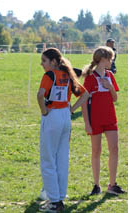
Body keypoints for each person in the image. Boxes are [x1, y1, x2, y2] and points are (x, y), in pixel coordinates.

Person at [37, 48, 89, 212]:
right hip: (65, 117)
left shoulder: (50, 75)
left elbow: (40, 95)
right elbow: (85, 94)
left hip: (52, 117)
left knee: (48, 159)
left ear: (53, 62)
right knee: (61, 158)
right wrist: (71, 109)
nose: (42, 64)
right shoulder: (67, 75)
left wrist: (44, 112)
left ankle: (54, 201)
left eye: (44, 60)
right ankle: (59, 196)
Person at [81, 46, 126, 196]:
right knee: (96, 151)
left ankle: (112, 184)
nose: (111, 62)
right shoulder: (90, 77)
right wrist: (87, 123)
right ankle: (96, 185)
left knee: (114, 149)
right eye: (110, 59)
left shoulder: (110, 75)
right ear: (102, 59)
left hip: (110, 118)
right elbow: (83, 102)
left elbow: (115, 98)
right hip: (95, 120)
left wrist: (110, 87)